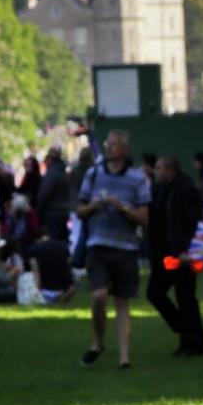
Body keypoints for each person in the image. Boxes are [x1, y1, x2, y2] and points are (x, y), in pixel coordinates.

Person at [76, 130, 150, 369]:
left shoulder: (137, 179)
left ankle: (124, 358)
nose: (110, 149)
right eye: (108, 145)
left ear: (126, 150)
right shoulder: (93, 174)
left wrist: (123, 209)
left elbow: (144, 218)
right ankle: (98, 342)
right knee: (99, 295)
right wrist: (94, 206)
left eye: (115, 145)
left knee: (122, 302)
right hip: (97, 245)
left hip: (126, 247)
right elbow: (80, 210)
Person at [146, 156, 203, 356]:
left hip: (181, 253)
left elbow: (193, 221)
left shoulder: (184, 189)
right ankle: (186, 333)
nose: (155, 171)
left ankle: (192, 342)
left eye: (159, 168)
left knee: (185, 297)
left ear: (170, 170)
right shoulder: (160, 189)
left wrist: (188, 250)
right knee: (158, 293)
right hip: (164, 252)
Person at [27, 233, 75, 304]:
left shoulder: (34, 249)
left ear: (37, 239)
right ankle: (61, 295)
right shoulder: (63, 246)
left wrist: (37, 287)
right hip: (65, 285)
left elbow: (35, 269)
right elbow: (69, 265)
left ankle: (54, 296)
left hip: (45, 286)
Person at [35, 147, 71, 241]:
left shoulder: (52, 173)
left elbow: (44, 195)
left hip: (53, 214)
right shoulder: (62, 172)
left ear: (50, 159)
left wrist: (38, 212)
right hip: (63, 212)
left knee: (55, 242)